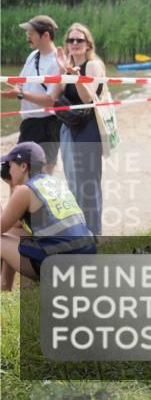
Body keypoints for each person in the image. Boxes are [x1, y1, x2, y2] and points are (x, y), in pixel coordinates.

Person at [1, 142, 96, 291]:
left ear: (23, 166)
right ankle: (4, 289)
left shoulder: (24, 191)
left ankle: (4, 288)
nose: (8, 170)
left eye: (10, 165)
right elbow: (16, 225)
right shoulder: (53, 182)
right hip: (88, 256)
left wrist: (12, 188)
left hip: (62, 266)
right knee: (13, 233)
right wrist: (12, 185)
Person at [47, 24, 107, 235]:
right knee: (73, 182)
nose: (74, 44)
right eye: (71, 40)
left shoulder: (92, 66)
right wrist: (62, 70)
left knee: (88, 183)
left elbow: (87, 98)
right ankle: (81, 232)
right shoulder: (67, 66)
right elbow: (52, 97)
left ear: (88, 44)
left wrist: (76, 75)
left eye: (79, 40)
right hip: (68, 128)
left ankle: (94, 233)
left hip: (88, 129)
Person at [1, 16, 62, 175]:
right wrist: (11, 92)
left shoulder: (57, 62)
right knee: (12, 172)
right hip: (28, 124)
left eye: (31, 33)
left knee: (43, 176)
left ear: (46, 36)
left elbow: (50, 100)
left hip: (48, 124)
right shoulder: (33, 56)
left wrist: (21, 94)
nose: (28, 37)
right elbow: (20, 84)